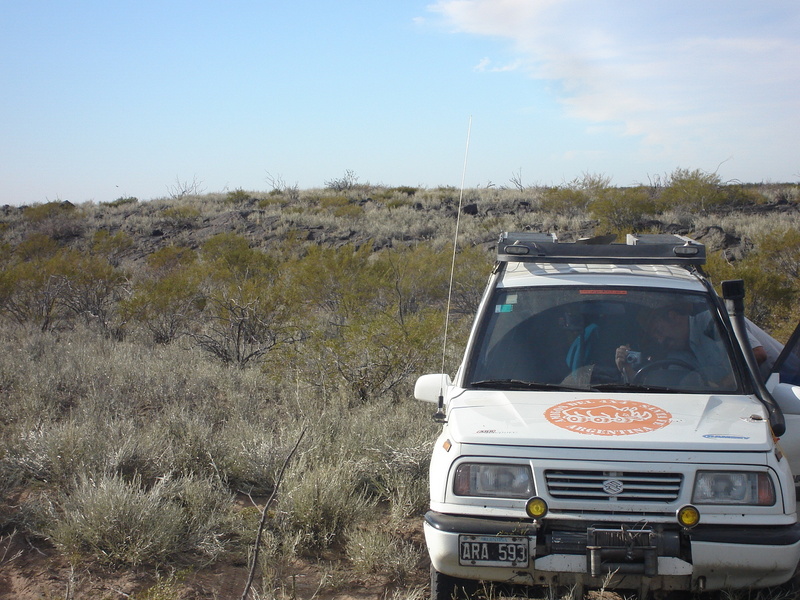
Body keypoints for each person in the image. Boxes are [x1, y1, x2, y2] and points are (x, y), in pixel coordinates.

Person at [615, 302, 735, 388]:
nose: (660, 340)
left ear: (673, 317)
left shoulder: (711, 322)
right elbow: (668, 389)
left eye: (658, 331)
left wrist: (723, 385)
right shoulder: (677, 358)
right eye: (655, 337)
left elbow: (753, 354)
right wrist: (628, 370)